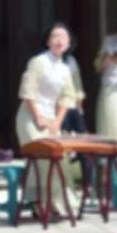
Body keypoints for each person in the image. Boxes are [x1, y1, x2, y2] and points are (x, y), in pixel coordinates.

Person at [15, 23, 81, 216]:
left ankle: (59, 202)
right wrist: (38, 116)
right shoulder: (38, 62)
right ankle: (42, 203)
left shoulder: (65, 69)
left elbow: (67, 98)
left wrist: (57, 122)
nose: (59, 40)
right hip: (30, 117)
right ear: (48, 41)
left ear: (69, 43)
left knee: (61, 159)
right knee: (42, 158)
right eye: (55, 36)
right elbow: (28, 91)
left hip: (51, 119)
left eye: (63, 37)